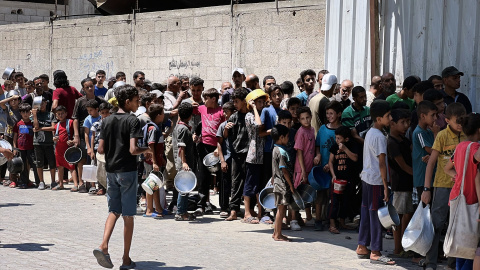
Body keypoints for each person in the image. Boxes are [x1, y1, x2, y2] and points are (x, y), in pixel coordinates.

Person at [94, 84, 150, 269]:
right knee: (128, 215)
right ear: (127, 102)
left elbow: (100, 148)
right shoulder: (133, 120)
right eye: (136, 100)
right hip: (127, 171)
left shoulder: (106, 120)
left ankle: (103, 245)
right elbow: (134, 149)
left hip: (111, 171)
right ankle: (125, 259)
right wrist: (147, 149)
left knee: (113, 211)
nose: (138, 103)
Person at [421, 102, 467, 270]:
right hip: (442, 186)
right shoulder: (441, 136)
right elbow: (431, 163)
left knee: (456, 226)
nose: (461, 124)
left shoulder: (467, 135)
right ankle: (430, 262)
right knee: (436, 225)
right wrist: (426, 189)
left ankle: (452, 263)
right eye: (458, 120)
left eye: (464, 120)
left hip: (461, 189)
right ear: (447, 120)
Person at [356, 100, 395, 265]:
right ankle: (375, 251)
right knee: (377, 215)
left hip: (367, 179)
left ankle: (362, 246)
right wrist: (386, 186)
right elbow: (381, 163)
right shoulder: (379, 136)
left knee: (366, 213)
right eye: (388, 116)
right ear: (379, 119)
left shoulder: (370, 132)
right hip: (375, 181)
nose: (390, 118)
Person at [443, 113, 480, 270]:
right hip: (470, 200)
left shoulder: (460, 147)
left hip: (456, 198)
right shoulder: (475, 148)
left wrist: (458, 177)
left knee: (460, 246)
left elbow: (447, 168)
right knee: (471, 248)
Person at [310, 101, 343, 230]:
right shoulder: (323, 128)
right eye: (327, 114)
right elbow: (318, 145)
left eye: (332, 113)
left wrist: (331, 165)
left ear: (339, 114)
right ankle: (318, 219)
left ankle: (331, 221)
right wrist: (318, 155)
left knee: (333, 196)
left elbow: (340, 151)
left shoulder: (341, 130)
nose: (329, 116)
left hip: (335, 169)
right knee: (320, 195)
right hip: (322, 168)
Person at [387, 109, 414, 257]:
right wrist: (417, 175)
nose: (406, 125)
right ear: (392, 124)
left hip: (407, 183)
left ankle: (404, 246)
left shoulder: (404, 139)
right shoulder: (392, 142)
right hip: (400, 184)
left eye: (408, 122)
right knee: (398, 217)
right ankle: (398, 248)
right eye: (402, 122)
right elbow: (403, 166)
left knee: (407, 214)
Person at [196, 88, 225, 214]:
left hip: (218, 147)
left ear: (213, 99)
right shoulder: (202, 108)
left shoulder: (221, 112)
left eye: (206, 99)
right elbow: (187, 110)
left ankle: (224, 206)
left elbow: (224, 131)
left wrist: (218, 148)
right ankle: (201, 204)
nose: (204, 101)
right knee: (203, 177)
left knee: (220, 177)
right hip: (204, 146)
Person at [327, 125, 359, 234]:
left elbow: (355, 158)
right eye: (336, 138)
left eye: (339, 138)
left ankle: (342, 222)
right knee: (334, 202)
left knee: (346, 202)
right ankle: (332, 224)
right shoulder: (334, 147)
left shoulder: (352, 145)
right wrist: (333, 175)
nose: (337, 140)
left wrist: (345, 149)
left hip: (349, 179)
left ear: (346, 139)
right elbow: (330, 162)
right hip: (337, 180)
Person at [225, 87, 250, 221]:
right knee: (235, 182)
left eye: (236, 101)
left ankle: (249, 210)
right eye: (233, 102)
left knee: (248, 182)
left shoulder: (251, 115)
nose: (234, 105)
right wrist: (226, 129)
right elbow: (226, 137)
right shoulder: (234, 116)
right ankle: (233, 210)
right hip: (237, 154)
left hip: (250, 154)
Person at [243, 89, 267, 224]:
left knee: (258, 185)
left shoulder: (262, 113)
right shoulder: (249, 116)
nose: (262, 104)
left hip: (262, 154)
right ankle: (246, 213)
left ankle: (260, 212)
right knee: (250, 184)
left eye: (263, 102)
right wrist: (253, 108)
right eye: (259, 102)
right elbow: (258, 125)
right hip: (253, 154)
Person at [260, 84, 283, 220]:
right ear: (270, 96)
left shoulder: (282, 111)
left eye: (279, 94)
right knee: (267, 180)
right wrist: (273, 131)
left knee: (278, 181)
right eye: (274, 95)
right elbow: (261, 132)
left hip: (280, 151)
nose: (277, 97)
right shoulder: (266, 111)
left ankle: (276, 211)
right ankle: (265, 211)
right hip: (268, 150)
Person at [292, 106, 315, 231]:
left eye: (307, 117)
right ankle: (294, 219)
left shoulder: (311, 129)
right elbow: (299, 152)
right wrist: (303, 170)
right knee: (297, 194)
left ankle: (309, 217)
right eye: (302, 119)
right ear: (299, 120)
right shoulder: (300, 132)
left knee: (306, 192)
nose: (306, 120)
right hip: (300, 168)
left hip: (309, 167)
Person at [173, 102, 196, 221]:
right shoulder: (182, 128)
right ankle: (181, 212)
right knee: (184, 188)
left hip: (182, 162)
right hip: (183, 163)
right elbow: (181, 146)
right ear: (190, 116)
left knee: (184, 187)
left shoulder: (179, 126)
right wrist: (184, 162)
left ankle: (183, 211)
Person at [142, 104, 166, 218]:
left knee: (154, 184)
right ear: (158, 115)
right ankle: (150, 209)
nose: (164, 115)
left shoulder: (156, 127)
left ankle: (157, 208)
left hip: (156, 160)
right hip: (151, 162)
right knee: (151, 184)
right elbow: (151, 146)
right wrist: (155, 162)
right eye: (163, 113)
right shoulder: (153, 128)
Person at [271, 124, 294, 241]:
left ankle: (276, 232)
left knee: (279, 209)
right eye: (287, 137)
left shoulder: (274, 149)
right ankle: (278, 234)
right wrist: (291, 185)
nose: (288, 139)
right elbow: (284, 170)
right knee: (281, 209)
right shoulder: (281, 152)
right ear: (281, 137)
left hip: (277, 183)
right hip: (282, 184)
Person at [412, 101, 437, 198]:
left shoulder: (429, 131)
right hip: (422, 178)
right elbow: (432, 150)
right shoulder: (419, 132)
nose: (435, 118)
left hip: (431, 177)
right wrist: (436, 134)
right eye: (432, 115)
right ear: (423, 116)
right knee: (423, 210)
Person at [13, 103, 40, 188]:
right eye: (23, 112)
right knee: (23, 165)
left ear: (30, 113)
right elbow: (15, 137)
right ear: (20, 113)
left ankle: (38, 182)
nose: (25, 114)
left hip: (31, 147)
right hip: (21, 148)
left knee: (34, 164)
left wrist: (35, 116)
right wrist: (14, 148)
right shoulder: (18, 124)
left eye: (27, 112)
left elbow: (36, 128)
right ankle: (24, 182)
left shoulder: (32, 123)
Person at [32, 98, 56, 190]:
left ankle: (53, 181)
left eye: (43, 103)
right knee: (39, 162)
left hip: (49, 142)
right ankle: (41, 181)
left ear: (46, 103)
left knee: (51, 162)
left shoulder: (51, 115)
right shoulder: (36, 115)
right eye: (39, 104)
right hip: (38, 142)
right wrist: (34, 115)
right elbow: (36, 126)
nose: (41, 105)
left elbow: (53, 127)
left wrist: (41, 129)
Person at [216, 101, 235, 218]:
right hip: (227, 158)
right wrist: (222, 160)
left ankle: (234, 207)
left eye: (227, 112)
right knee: (224, 183)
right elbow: (219, 143)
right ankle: (224, 206)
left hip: (237, 159)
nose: (224, 114)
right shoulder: (223, 125)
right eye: (224, 112)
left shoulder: (238, 123)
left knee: (235, 184)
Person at [52, 105, 78, 191]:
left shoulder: (70, 122)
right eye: (58, 114)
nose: (60, 115)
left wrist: (72, 141)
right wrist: (54, 138)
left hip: (68, 149)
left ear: (66, 113)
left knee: (71, 167)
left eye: (62, 113)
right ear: (56, 115)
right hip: (58, 149)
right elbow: (54, 136)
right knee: (59, 167)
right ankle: (61, 184)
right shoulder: (57, 125)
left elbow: (75, 134)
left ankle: (75, 184)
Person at [90, 102, 113, 196]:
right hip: (97, 149)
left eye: (107, 112)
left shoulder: (112, 123)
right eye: (103, 112)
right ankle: (101, 187)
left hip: (109, 149)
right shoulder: (96, 124)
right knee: (99, 169)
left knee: (108, 169)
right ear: (99, 113)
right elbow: (93, 137)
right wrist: (91, 150)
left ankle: (109, 188)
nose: (105, 114)